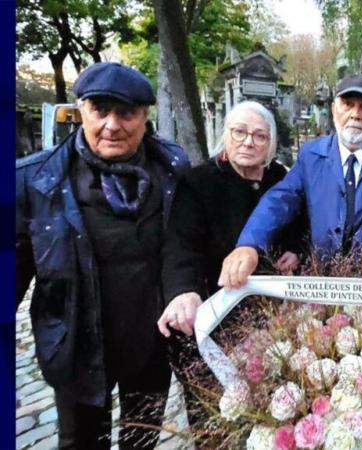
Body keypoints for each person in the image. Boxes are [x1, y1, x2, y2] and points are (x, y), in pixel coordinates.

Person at [16, 62, 190, 449]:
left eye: (126, 113)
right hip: (78, 345)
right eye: (100, 110)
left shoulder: (172, 169)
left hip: (150, 346)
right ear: (82, 111)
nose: (112, 125)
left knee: (141, 442)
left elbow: (185, 245)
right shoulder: (36, 181)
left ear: (145, 117)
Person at [219, 74, 362, 295]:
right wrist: (249, 244)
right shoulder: (311, 156)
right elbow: (280, 200)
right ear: (334, 109)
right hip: (318, 287)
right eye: (348, 104)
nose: (355, 114)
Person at [156, 101, 302, 445]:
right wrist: (183, 290)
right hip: (215, 312)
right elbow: (180, 244)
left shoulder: (280, 178)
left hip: (268, 317)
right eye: (239, 132)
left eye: (259, 135)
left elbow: (299, 220)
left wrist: (296, 248)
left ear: (271, 142)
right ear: (226, 135)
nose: (248, 142)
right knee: (215, 415)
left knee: (268, 409)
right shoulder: (198, 182)